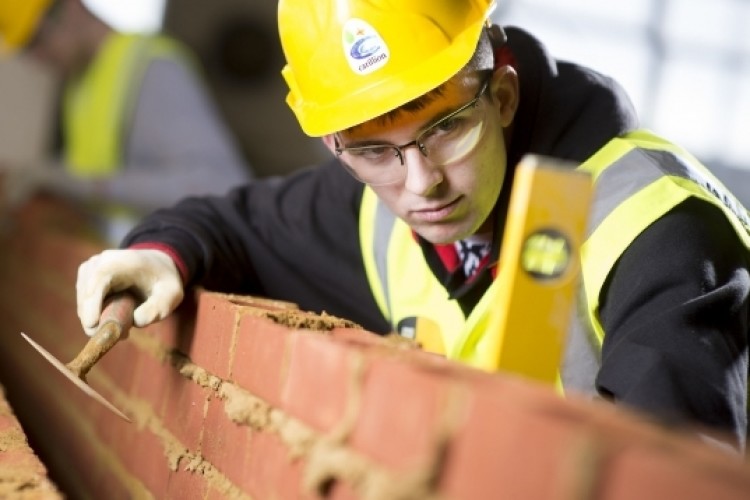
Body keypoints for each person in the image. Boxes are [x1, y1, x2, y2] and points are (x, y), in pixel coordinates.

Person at [74, 0, 748, 451]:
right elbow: (227, 225)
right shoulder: (369, 210)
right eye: (372, 150)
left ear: (504, 97)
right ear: (338, 147)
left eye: (448, 129)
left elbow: (677, 463)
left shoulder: (651, 223)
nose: (421, 184)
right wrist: (161, 257)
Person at [0, 0, 252, 242]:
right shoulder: (78, 88)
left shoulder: (152, 68)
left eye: (37, 39)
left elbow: (219, 184)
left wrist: (78, 184)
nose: (39, 58)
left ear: (71, 4)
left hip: (171, 268)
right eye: (27, 51)